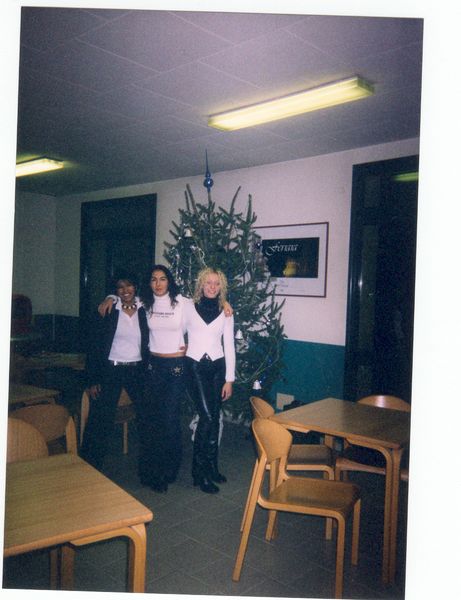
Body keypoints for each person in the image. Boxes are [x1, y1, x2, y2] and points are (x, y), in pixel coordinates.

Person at [80, 272, 151, 479]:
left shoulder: (145, 308)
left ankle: (150, 471)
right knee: (99, 421)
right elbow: (95, 346)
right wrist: (93, 379)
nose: (125, 290)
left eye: (129, 286)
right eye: (120, 287)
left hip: (137, 370)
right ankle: (88, 469)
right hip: (111, 370)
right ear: (115, 290)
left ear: (135, 287)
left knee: (148, 419)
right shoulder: (109, 310)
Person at [184, 267, 235, 494]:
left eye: (217, 283)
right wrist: (113, 296)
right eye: (208, 282)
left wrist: (229, 379)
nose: (212, 287)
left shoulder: (226, 311)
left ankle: (212, 467)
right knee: (206, 417)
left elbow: (229, 346)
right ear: (201, 284)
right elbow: (161, 297)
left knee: (214, 417)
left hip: (217, 368)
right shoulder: (187, 306)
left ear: (221, 286)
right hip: (195, 366)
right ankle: (199, 472)